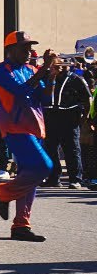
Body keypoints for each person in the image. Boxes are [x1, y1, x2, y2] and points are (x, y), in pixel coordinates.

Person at [0, 32, 55, 241]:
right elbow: (20, 92)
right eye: (24, 48)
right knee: (44, 167)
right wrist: (43, 69)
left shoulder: (30, 69)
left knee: (31, 177)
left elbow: (45, 99)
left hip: (35, 127)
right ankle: (3, 192)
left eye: (29, 47)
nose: (29, 52)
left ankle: (21, 226)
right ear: (11, 50)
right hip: (15, 128)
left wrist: (51, 78)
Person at [41, 60, 89, 188]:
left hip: (69, 117)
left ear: (69, 65)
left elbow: (86, 100)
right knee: (50, 149)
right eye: (56, 63)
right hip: (51, 116)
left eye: (62, 63)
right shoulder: (48, 77)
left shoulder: (76, 79)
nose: (59, 66)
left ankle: (75, 179)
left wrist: (83, 119)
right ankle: (53, 178)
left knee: (72, 149)